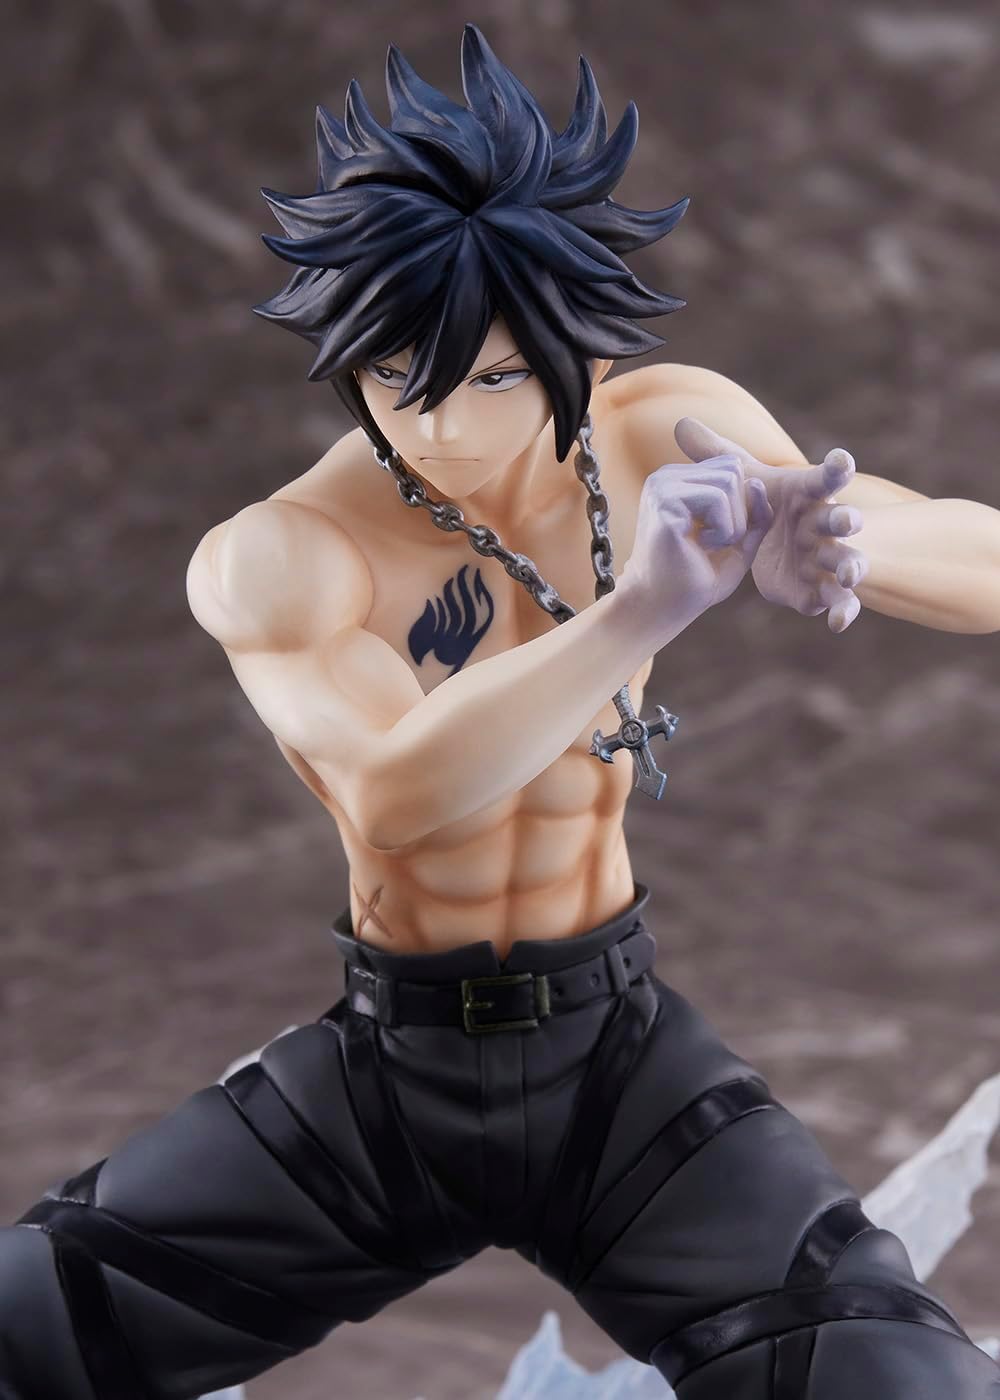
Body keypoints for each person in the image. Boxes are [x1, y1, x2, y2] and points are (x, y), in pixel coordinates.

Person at [3, 25, 999, 1400]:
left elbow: (976, 558)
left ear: (568, 346)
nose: (450, 430)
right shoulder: (289, 554)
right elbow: (397, 796)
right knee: (25, 1331)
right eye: (400, 381)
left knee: (898, 1382)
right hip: (391, 1086)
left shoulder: (660, 433)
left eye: (496, 378)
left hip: (620, 1066)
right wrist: (641, 611)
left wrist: (839, 545)